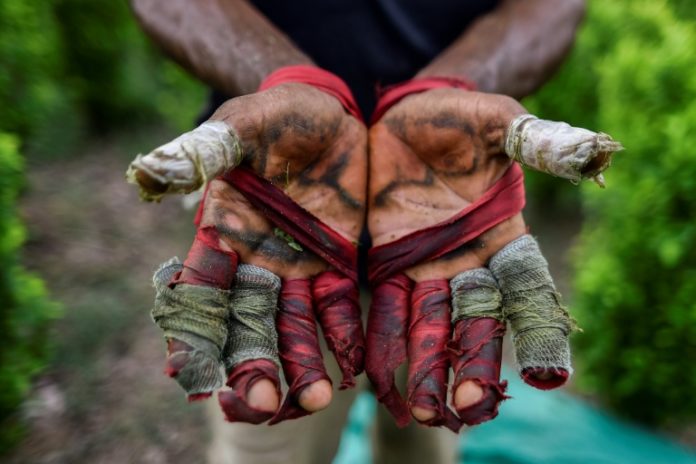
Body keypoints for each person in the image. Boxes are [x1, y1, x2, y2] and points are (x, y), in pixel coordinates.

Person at [126, 1, 620, 462]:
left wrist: (450, 89)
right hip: (275, 226)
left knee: (425, 435)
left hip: (444, 238)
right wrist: (286, 79)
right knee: (267, 440)